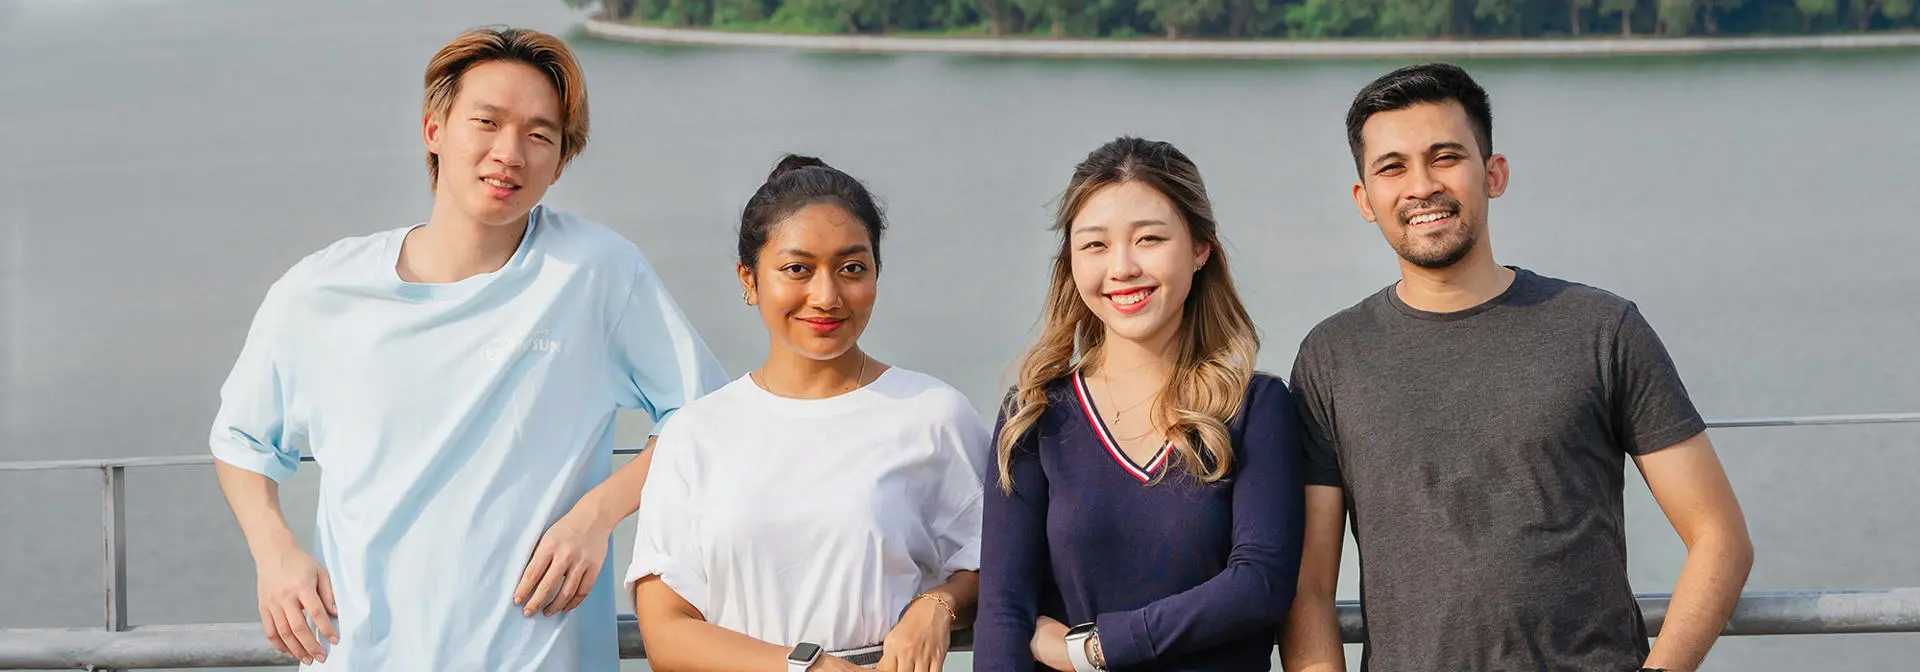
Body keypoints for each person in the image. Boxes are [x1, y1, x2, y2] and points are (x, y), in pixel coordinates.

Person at [207, 27, 728, 670]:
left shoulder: (596, 274)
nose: (509, 153)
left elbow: (709, 417)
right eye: (486, 122)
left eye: (540, 135)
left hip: (541, 653)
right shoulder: (321, 290)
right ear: (434, 130)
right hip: (364, 651)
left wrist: (597, 517)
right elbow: (242, 439)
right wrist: (275, 553)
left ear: (560, 161)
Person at [1279, 63, 1754, 672]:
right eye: (1392, 167)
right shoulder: (1330, 357)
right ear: (1364, 199)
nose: (1421, 186)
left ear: (1493, 173)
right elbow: (1310, 589)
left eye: (1445, 156)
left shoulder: (1602, 329)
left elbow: (1720, 538)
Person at [625, 155, 989, 672]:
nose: (826, 295)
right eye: (798, 269)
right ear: (749, 280)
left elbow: (996, 560)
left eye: (852, 269)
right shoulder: (696, 433)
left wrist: (937, 607)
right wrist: (807, 667)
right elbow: (665, 632)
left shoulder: (933, 415)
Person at [973, 136, 1306, 672]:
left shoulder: (1255, 407)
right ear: (1071, 263)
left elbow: (1259, 584)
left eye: (1149, 239)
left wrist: (1094, 648)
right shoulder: (1033, 412)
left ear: (1201, 249)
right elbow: (1004, 612)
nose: (1122, 268)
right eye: (1095, 245)